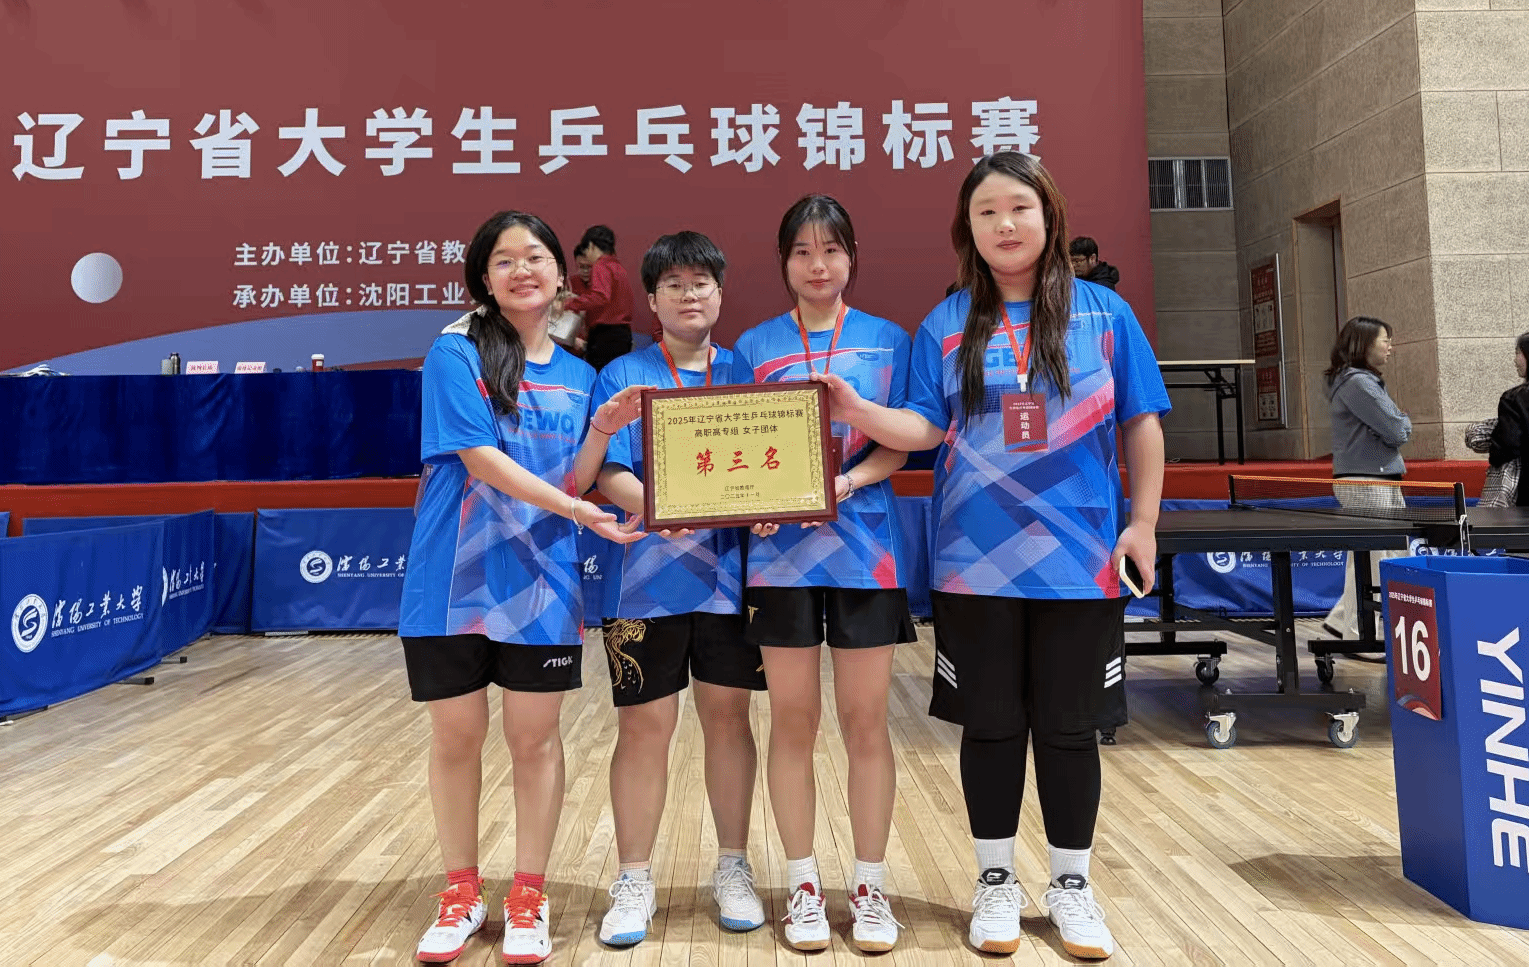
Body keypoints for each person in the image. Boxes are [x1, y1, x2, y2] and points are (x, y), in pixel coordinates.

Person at [812, 152, 1169, 960]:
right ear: (967, 228)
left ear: (1049, 217)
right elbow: (925, 428)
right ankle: (996, 880)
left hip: (1080, 561)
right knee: (992, 726)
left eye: (1019, 208)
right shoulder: (946, 324)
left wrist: (1143, 522)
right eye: (987, 212)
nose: (1005, 224)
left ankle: (1072, 885)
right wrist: (860, 409)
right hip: (975, 563)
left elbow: (1141, 421)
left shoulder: (1106, 314)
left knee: (1072, 730)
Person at [399, 210, 648, 966]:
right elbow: (479, 457)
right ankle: (460, 891)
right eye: (503, 260)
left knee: (534, 740)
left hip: (543, 583)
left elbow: (579, 475)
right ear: (483, 277)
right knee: (456, 737)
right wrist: (576, 509)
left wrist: (601, 432)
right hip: (451, 581)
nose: (521, 270)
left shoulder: (580, 375)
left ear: (560, 273)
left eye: (534, 256)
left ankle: (528, 894)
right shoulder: (456, 351)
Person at [732, 194, 915, 953]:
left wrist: (844, 482)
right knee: (793, 721)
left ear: (852, 256)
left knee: (865, 721)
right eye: (802, 251)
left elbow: (903, 439)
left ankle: (869, 885)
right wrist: (755, 502)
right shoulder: (753, 346)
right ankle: (803, 883)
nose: (817, 264)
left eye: (831, 249)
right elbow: (739, 445)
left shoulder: (888, 339)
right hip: (780, 561)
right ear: (784, 262)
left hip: (866, 552)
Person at [589, 231, 769, 946]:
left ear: (720, 293)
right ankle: (634, 876)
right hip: (644, 582)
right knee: (644, 728)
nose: (689, 295)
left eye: (702, 283)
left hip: (730, 582)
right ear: (653, 298)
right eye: (674, 285)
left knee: (729, 720)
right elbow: (606, 472)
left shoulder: (748, 371)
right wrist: (662, 507)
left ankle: (733, 865)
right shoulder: (623, 374)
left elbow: (772, 461)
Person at [1321, 316, 1410, 640]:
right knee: (1374, 560)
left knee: (1371, 557)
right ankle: (1362, 635)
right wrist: (1403, 421)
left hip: (1375, 478)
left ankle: (1341, 621)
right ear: (1365, 344)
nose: (1390, 347)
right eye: (1385, 340)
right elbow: (1397, 429)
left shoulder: (1356, 381)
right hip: (1367, 481)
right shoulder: (1358, 383)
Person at [564, 225, 636, 371]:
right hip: (623, 334)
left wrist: (569, 303)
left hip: (604, 336)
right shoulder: (618, 267)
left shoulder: (601, 265)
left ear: (591, 246)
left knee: (598, 376)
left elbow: (600, 296)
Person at [1488, 331, 1528, 507]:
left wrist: (1490, 437)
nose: (1514, 360)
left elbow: (1506, 447)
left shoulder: (1514, 399)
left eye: (1518, 352)